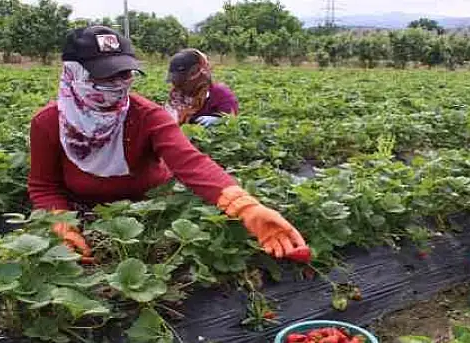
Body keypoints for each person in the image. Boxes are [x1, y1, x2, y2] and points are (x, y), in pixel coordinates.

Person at [27, 26, 309, 263]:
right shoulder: (49, 123)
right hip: (84, 210)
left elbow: (190, 162)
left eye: (123, 74)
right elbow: (44, 186)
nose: (117, 83)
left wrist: (246, 207)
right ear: (74, 74)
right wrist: (61, 222)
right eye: (104, 75)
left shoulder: (148, 116)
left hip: (152, 210)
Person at [165, 48, 239, 127]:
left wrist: (219, 121)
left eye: (183, 80)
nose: (178, 85)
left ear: (196, 74)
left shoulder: (220, 93)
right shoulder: (177, 95)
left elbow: (232, 122)